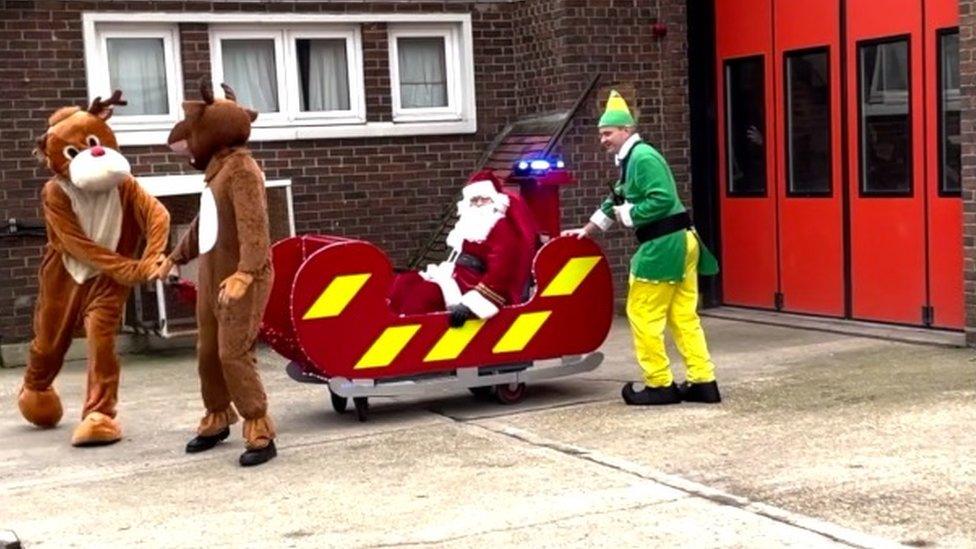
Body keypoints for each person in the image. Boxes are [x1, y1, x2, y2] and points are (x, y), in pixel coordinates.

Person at [564, 90, 721, 406]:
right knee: (683, 316)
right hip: (681, 242)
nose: (603, 140)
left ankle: (659, 384)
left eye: (608, 133)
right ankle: (703, 382)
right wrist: (589, 230)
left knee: (642, 313)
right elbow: (616, 197)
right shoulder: (632, 159)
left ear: (626, 130)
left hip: (664, 246)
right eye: (601, 134)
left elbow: (660, 199)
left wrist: (629, 215)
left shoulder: (643, 157)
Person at [154, 81, 277, 467]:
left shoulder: (242, 169)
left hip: (241, 277)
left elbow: (254, 227)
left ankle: (258, 425)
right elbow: (205, 223)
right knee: (207, 351)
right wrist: (175, 257)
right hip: (212, 272)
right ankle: (218, 415)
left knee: (233, 352)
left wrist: (246, 273)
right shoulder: (217, 171)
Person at [389, 170, 537, 326]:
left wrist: (470, 305)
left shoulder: (501, 228)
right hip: (457, 278)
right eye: (474, 200)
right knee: (405, 283)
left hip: (475, 287)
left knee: (422, 296)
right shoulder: (469, 224)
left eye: (484, 199)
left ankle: (414, 341)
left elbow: (501, 274)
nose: (479, 204)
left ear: (495, 200)